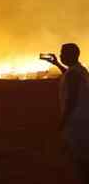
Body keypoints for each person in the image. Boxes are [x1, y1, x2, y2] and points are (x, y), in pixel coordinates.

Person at [43, 43, 89, 183]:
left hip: (77, 122)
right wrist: (57, 63)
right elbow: (70, 77)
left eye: (63, 53)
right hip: (83, 118)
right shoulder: (80, 70)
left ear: (71, 55)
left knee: (81, 160)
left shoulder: (74, 74)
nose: (61, 55)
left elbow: (71, 100)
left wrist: (63, 121)